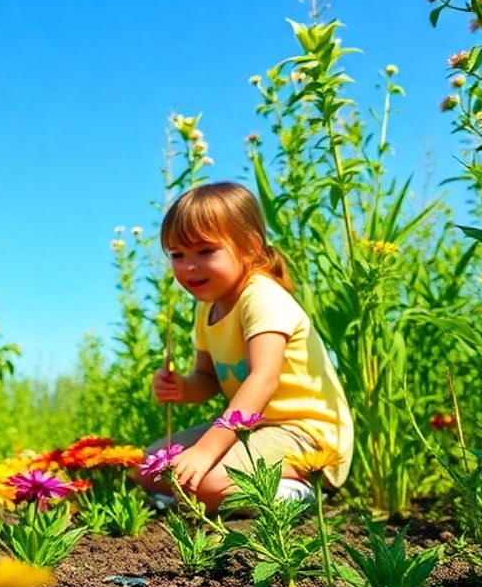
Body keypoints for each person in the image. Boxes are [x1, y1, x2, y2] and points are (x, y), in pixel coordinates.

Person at [148, 181, 353, 509]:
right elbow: (208, 380)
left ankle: (301, 492)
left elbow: (263, 379)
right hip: (253, 429)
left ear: (250, 247)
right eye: (177, 254)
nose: (189, 266)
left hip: (306, 433)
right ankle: (199, 495)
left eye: (205, 251)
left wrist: (205, 451)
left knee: (205, 483)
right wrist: (182, 388)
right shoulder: (207, 308)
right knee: (153, 466)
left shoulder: (261, 297)